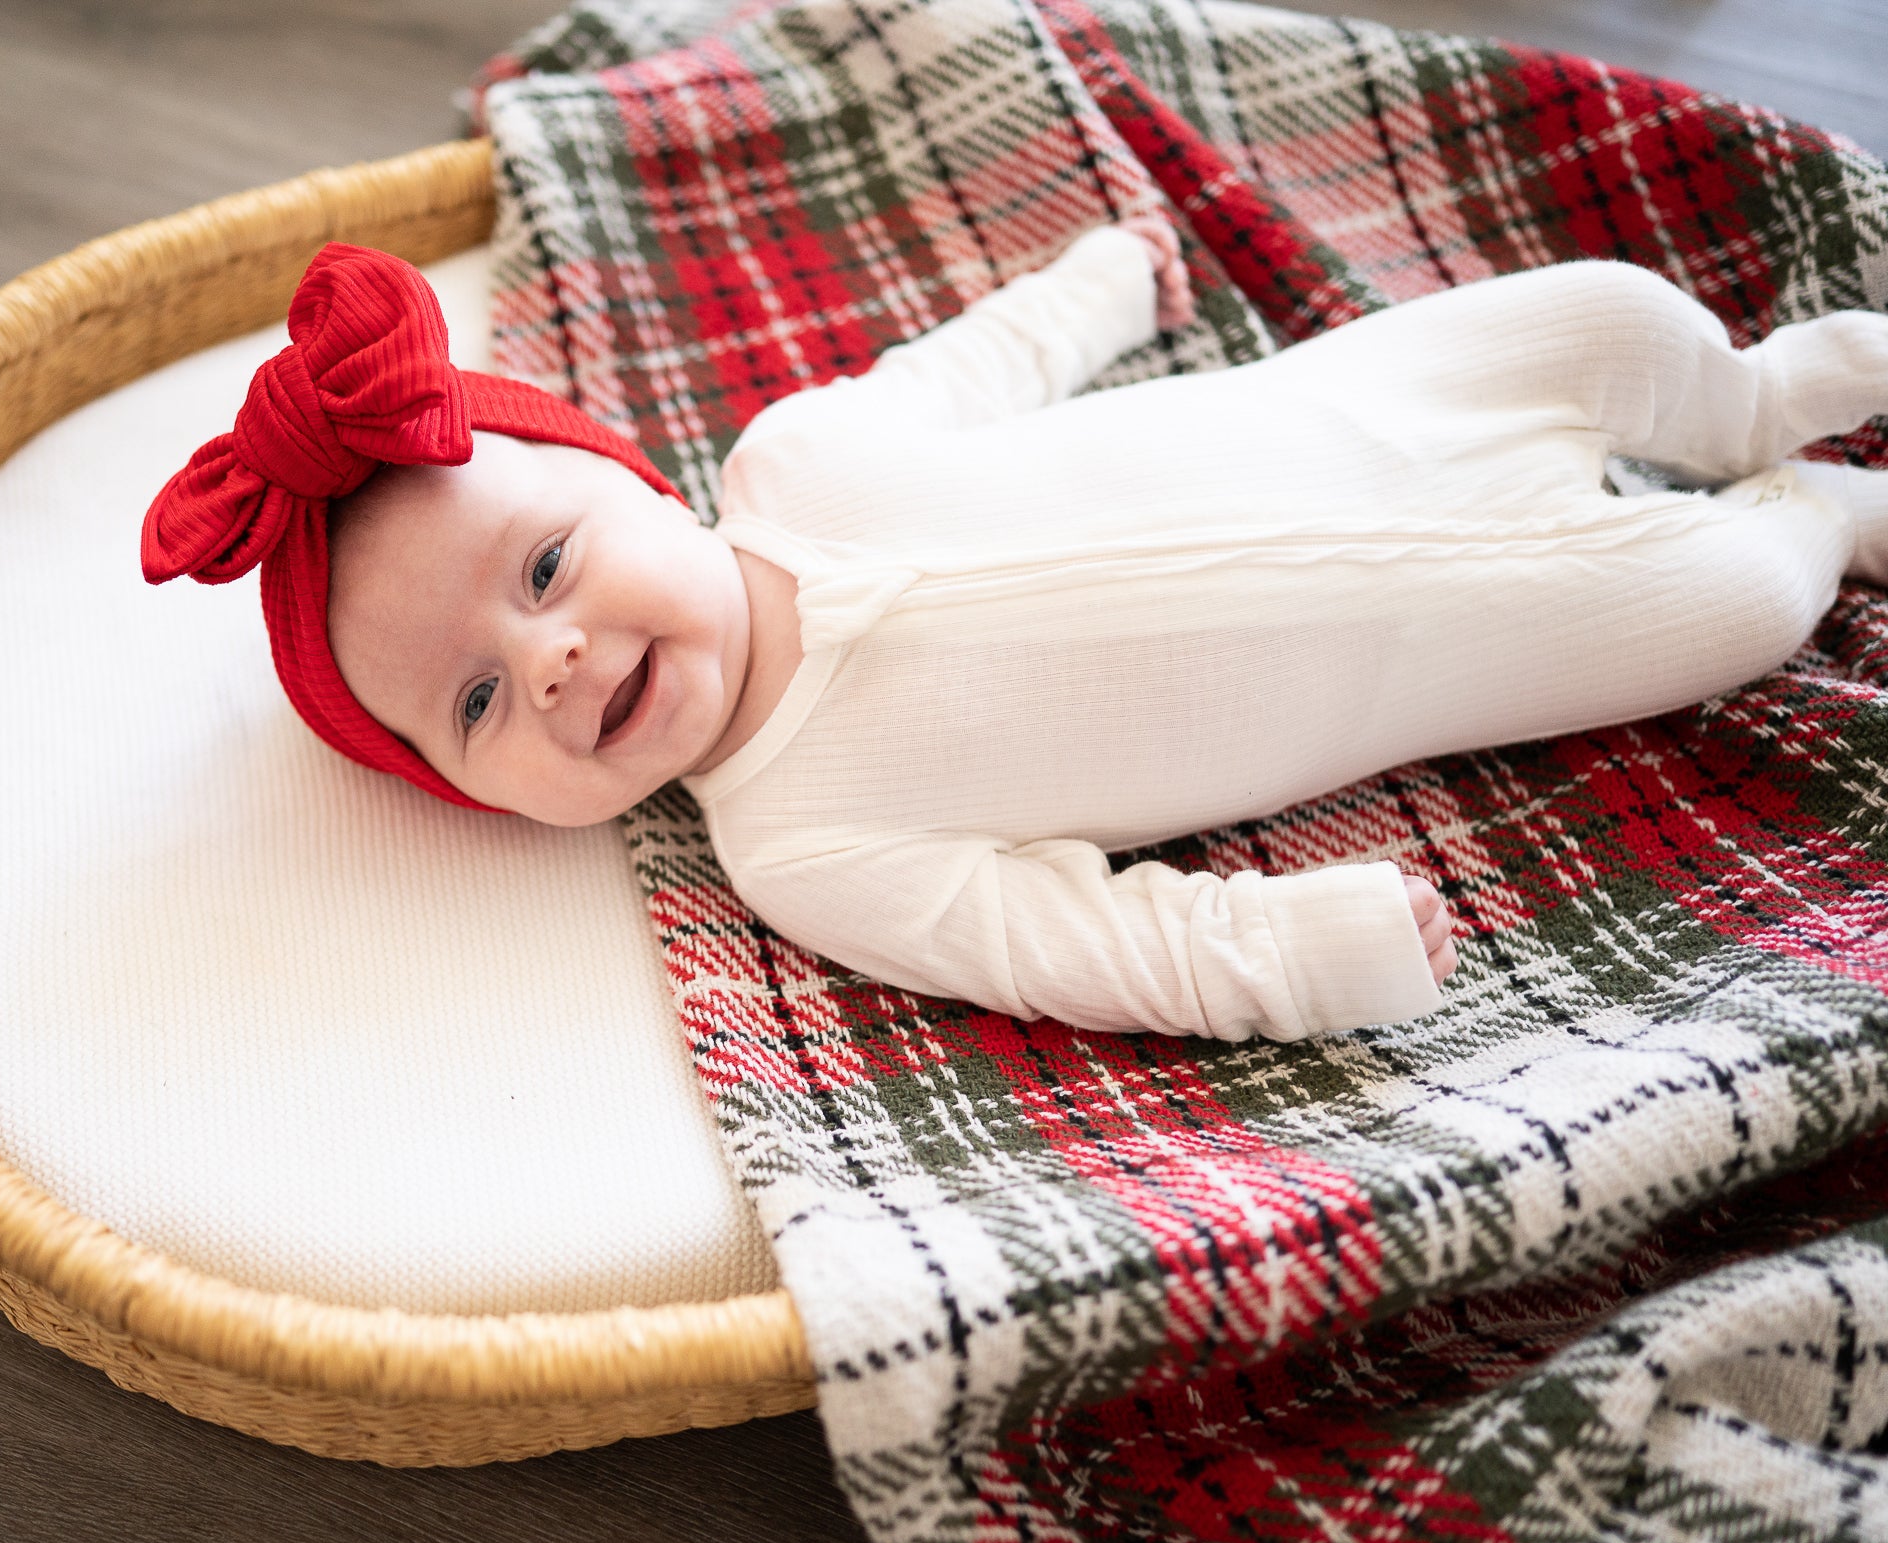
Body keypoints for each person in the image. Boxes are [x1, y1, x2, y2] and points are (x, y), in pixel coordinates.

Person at [142, 224, 1888, 1040]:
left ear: (641, 484)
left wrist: (1092, 291)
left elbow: (972, 372)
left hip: (1380, 404)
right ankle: (1820, 516)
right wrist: (1297, 957)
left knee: (1606, 320)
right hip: (1472, 638)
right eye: (473, 704)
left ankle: (1747, 401)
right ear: (482, 798)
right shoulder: (805, 849)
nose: (551, 661)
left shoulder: (798, 459)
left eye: (544, 570)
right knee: (1735, 602)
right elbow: (1075, 942)